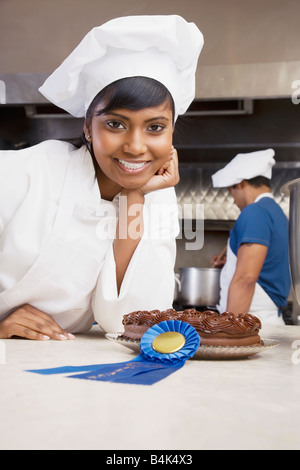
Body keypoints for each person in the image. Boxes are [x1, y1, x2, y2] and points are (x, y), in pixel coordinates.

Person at [0, 15, 204, 340]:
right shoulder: (26, 172)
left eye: (155, 127)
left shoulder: (159, 197)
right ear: (87, 128)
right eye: (115, 124)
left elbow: (128, 323)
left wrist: (134, 197)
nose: (136, 147)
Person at [211, 148, 291, 325]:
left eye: (231, 192)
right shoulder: (276, 212)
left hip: (251, 322)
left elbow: (245, 279)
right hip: (263, 320)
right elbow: (268, 263)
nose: (233, 200)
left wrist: (228, 332)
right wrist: (231, 262)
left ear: (239, 184)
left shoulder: (254, 212)